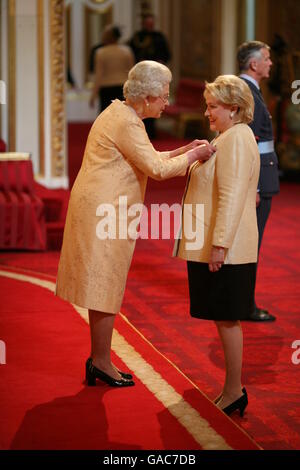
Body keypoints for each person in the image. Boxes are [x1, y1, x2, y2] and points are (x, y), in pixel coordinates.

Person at [56, 60, 215, 388]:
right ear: (146, 97)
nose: (167, 103)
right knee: (104, 287)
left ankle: (99, 359)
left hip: (102, 209)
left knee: (104, 286)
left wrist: (185, 149)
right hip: (104, 213)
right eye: (163, 96)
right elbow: (157, 170)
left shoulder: (122, 114)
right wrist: (194, 157)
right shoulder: (126, 122)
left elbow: (149, 156)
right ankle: (100, 362)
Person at [174, 75, 260, 416]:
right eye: (207, 105)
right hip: (215, 243)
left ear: (234, 108)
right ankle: (231, 389)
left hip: (229, 248)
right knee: (223, 318)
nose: (207, 112)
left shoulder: (237, 139)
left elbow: (232, 196)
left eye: (213, 106)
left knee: (227, 319)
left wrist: (220, 245)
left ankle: (234, 390)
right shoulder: (226, 136)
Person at [238, 41, 280, 322]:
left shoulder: (250, 90)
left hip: (263, 177)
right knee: (250, 245)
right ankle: (245, 305)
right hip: (259, 181)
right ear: (254, 64)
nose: (270, 63)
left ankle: (243, 302)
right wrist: (252, 186)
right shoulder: (248, 92)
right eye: (266, 59)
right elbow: (248, 143)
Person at [128, 14, 171, 139]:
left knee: (154, 102)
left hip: (156, 76)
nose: (149, 26)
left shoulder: (159, 37)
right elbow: (132, 54)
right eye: (147, 23)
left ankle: (151, 133)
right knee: (141, 102)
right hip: (141, 76)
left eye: (151, 23)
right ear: (143, 24)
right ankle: (138, 130)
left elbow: (167, 55)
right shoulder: (137, 37)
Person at [89, 25, 135, 113]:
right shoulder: (127, 51)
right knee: (122, 115)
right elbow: (132, 73)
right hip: (122, 87)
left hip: (106, 89)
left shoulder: (100, 52)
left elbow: (99, 74)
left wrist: (93, 94)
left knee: (107, 117)